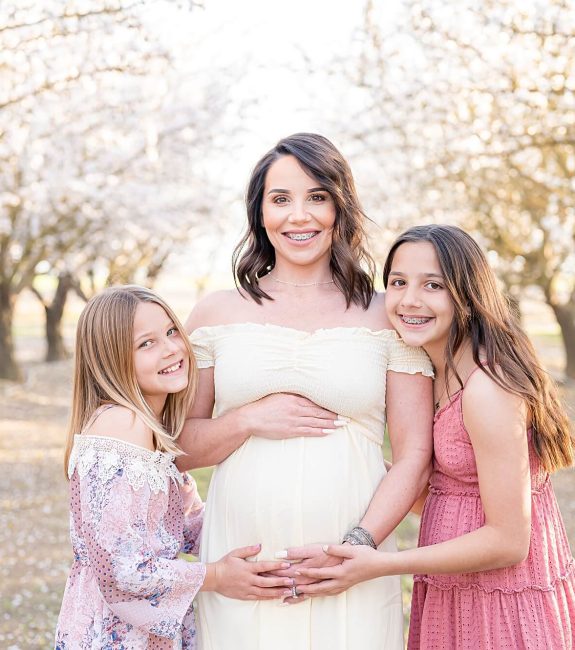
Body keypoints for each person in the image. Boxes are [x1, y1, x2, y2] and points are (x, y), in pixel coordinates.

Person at [178, 133, 434, 650]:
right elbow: (178, 447)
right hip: (246, 564)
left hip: (350, 566)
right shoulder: (215, 313)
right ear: (260, 213)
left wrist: (356, 549)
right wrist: (248, 419)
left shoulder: (386, 313)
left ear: (341, 207)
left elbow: (414, 455)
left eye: (317, 197)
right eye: (281, 200)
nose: (300, 216)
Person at [293, 224, 575, 649]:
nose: (409, 300)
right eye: (398, 282)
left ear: (467, 293)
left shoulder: (487, 389)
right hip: (453, 592)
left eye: (433, 285)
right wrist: (350, 453)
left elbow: (508, 540)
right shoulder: (435, 372)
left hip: (499, 601)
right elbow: (449, 497)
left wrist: (380, 564)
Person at [54, 286, 293, 650]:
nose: (170, 349)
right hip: (115, 631)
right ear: (110, 359)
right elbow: (120, 569)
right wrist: (217, 576)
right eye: (145, 344)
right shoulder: (122, 424)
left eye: (171, 332)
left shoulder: (147, 427)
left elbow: (184, 526)